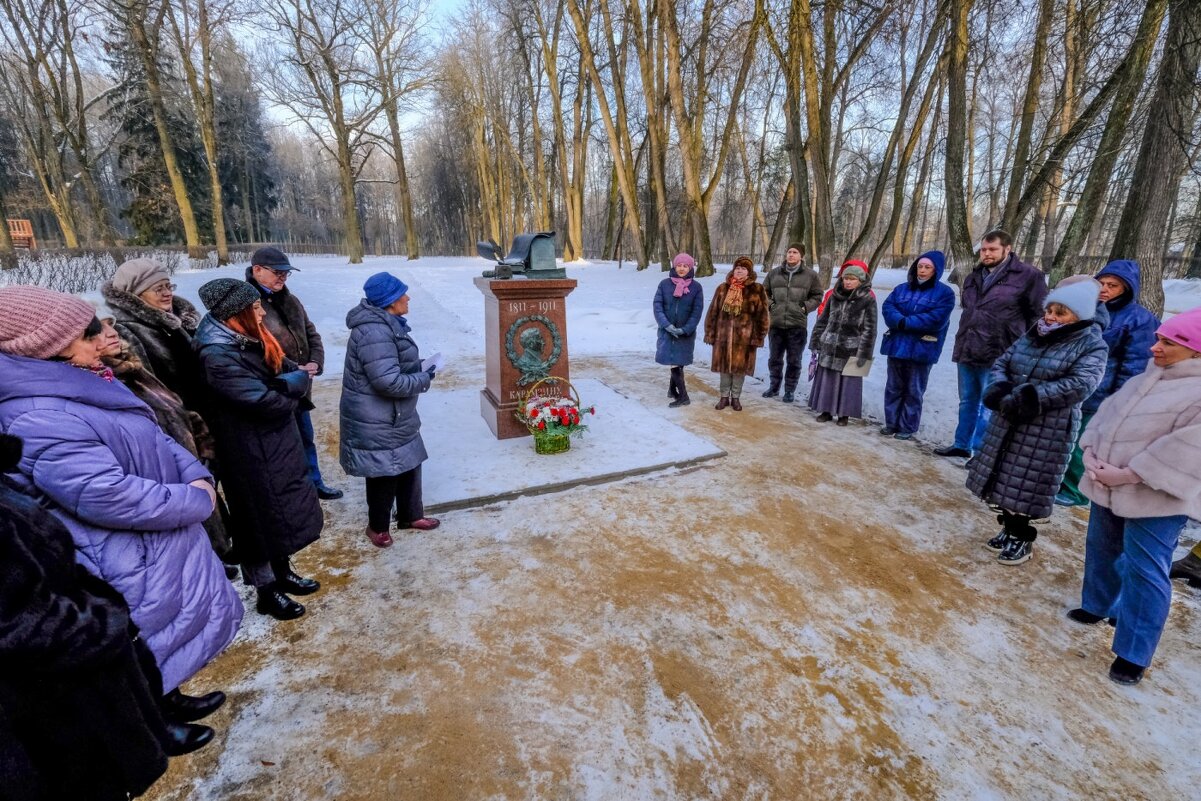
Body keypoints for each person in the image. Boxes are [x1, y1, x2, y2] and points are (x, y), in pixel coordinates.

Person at [0, 285, 241, 742]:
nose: (101, 339)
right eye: (86, 334)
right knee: (141, 633)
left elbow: (156, 437)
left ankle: (168, 694)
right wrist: (195, 500)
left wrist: (197, 475)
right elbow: (106, 495)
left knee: (163, 630)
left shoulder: (84, 384)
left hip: (151, 535)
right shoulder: (36, 415)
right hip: (117, 548)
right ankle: (153, 726)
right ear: (44, 347)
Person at [0, 432, 182, 801]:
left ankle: (161, 712)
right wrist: (103, 618)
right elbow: (18, 621)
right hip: (48, 708)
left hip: (62, 692)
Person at [1068, 307, 1201, 685]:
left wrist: (1129, 474)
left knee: (1146, 570)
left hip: (1157, 498)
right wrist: (1091, 451)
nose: (1154, 348)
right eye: (1158, 339)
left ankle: (1133, 653)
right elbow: (1107, 415)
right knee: (1101, 546)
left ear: (1196, 351)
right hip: (1107, 483)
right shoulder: (1150, 378)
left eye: (1168, 343)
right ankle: (1098, 605)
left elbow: (1188, 449)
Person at [193, 278, 324, 620]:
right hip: (248, 449)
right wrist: (294, 384)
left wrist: (290, 379)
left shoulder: (245, 338)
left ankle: (283, 571)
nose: (262, 310)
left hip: (272, 442)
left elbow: (282, 369)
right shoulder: (217, 354)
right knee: (258, 519)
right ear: (236, 315)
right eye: (254, 307)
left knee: (280, 513)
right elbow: (264, 401)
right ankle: (266, 590)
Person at [966, 279, 1107, 565]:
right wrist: (1001, 388)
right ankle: (1007, 528)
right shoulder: (1034, 332)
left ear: (1078, 315)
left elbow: (1080, 384)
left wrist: (1029, 397)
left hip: (1047, 426)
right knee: (1004, 476)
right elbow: (1003, 362)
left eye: (1061, 312)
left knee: (1028, 484)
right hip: (1008, 419)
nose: (1052, 317)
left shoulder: (1091, 344)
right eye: (1050, 310)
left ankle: (1022, 537)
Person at [93, 309, 232, 571]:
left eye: (111, 326)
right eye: (100, 330)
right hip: (155, 470)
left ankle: (216, 552)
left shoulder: (129, 367)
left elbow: (169, 403)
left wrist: (197, 431)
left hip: (181, 450)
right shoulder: (104, 380)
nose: (113, 333)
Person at [340, 272, 440, 548]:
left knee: (409, 461)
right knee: (383, 470)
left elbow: (391, 365)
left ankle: (410, 516)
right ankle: (378, 527)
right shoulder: (374, 331)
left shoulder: (387, 323)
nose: (408, 298)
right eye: (403, 294)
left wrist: (419, 365)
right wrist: (423, 378)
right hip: (376, 416)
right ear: (390, 301)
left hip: (395, 414)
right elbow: (387, 381)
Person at [1056, 260, 1159, 507]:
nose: (1104, 289)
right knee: (1062, 437)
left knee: (1084, 443)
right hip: (1071, 387)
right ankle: (1056, 481)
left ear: (1127, 288)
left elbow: (1135, 366)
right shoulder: (1085, 308)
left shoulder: (1140, 320)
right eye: (1101, 283)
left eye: (1112, 285)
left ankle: (1075, 490)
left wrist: (1119, 400)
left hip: (1102, 394)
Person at [937, 230, 1048, 458]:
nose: (986, 254)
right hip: (968, 347)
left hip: (1000, 351)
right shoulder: (973, 276)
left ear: (1007, 249)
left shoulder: (1028, 276)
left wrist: (1026, 348)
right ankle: (962, 443)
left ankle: (982, 453)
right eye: (984, 250)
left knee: (991, 404)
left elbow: (1036, 316)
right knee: (967, 400)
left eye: (992, 249)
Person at [245, 246, 342, 501]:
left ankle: (314, 483)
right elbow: (256, 347)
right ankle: (290, 494)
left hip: (299, 387)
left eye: (286, 274)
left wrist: (315, 362)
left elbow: (311, 333)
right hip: (274, 388)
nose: (282, 278)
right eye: (277, 273)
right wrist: (290, 367)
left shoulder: (290, 299)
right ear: (257, 270)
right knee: (281, 448)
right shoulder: (246, 303)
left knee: (306, 438)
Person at [101, 257, 207, 416]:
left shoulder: (176, 320)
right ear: (136, 294)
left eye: (168, 286)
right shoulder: (126, 330)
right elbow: (149, 388)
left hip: (204, 410)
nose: (167, 293)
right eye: (158, 288)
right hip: (180, 416)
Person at [879, 251, 956, 440]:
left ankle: (907, 426)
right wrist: (899, 320)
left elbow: (937, 319)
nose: (922, 270)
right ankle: (891, 423)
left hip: (922, 349)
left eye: (927, 267)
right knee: (893, 387)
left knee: (914, 389)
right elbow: (888, 307)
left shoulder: (945, 294)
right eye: (920, 266)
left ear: (935, 270)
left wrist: (908, 323)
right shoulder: (901, 289)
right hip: (897, 346)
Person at [808, 263, 878, 426]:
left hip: (852, 347)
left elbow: (870, 329)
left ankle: (844, 414)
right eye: (846, 278)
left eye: (852, 279)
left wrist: (864, 354)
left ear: (860, 281)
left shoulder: (868, 300)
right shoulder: (834, 296)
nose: (848, 282)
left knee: (848, 383)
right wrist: (816, 340)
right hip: (830, 345)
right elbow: (823, 320)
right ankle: (825, 410)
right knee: (828, 380)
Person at [703, 256, 770, 411]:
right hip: (723, 336)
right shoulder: (722, 288)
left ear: (749, 272)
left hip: (745, 339)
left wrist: (759, 336)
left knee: (740, 369)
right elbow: (713, 311)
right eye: (737, 268)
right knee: (724, 368)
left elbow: (763, 315)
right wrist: (710, 332)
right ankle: (724, 397)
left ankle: (736, 398)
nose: (739, 271)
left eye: (743, 268)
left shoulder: (757, 290)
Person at [762, 243, 823, 403]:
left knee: (794, 360)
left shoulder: (811, 275)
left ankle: (789, 390)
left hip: (797, 325)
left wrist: (804, 308)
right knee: (774, 358)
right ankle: (774, 387)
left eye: (795, 252)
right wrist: (771, 305)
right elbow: (763, 292)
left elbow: (817, 295)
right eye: (789, 252)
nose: (791, 255)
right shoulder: (774, 274)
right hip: (776, 323)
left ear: (801, 256)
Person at [653, 252, 705, 408]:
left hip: (685, 334)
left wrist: (685, 329)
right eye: (679, 265)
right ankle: (674, 391)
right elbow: (657, 306)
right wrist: (666, 325)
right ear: (674, 266)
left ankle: (683, 397)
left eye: (685, 266)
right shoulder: (664, 284)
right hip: (667, 331)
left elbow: (697, 311)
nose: (682, 269)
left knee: (677, 362)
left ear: (690, 268)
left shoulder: (696, 288)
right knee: (673, 361)